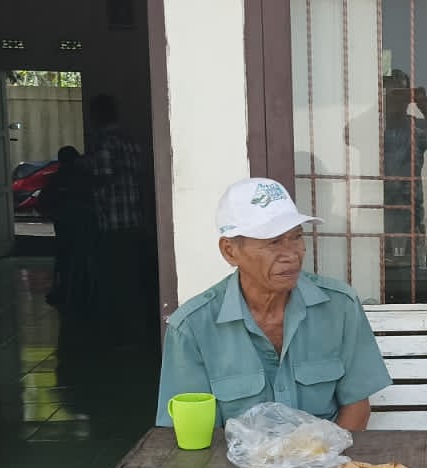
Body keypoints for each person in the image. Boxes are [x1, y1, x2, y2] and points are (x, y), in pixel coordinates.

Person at [155, 177, 392, 431]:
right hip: (233, 458)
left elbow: (357, 406)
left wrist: (327, 455)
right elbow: (192, 432)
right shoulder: (191, 328)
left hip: (329, 455)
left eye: (296, 237)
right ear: (230, 251)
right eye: (273, 241)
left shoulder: (340, 306)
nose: (291, 254)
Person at [87, 93, 153, 334]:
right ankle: (138, 328)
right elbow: (141, 177)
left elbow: (104, 178)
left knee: (116, 278)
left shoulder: (103, 143)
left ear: (97, 116)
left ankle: (122, 332)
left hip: (113, 221)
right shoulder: (130, 142)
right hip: (135, 218)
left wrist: (87, 182)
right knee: (134, 277)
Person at [380, 69, 427, 265]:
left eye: (400, 94)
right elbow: (347, 135)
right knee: (373, 264)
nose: (396, 100)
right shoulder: (371, 126)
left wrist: (426, 109)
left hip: (409, 212)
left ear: (408, 98)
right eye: (391, 95)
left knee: (408, 267)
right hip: (376, 210)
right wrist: (374, 107)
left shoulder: (418, 127)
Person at [41, 145, 98, 311]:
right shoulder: (85, 177)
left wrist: (54, 214)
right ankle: (85, 292)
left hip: (64, 227)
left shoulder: (57, 178)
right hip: (84, 227)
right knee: (84, 259)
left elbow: (43, 201)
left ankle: (64, 291)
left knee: (64, 260)